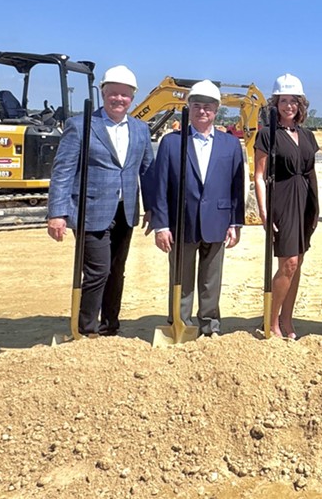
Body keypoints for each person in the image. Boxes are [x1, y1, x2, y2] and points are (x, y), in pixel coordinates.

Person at [46, 65, 154, 337]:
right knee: (98, 272)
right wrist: (57, 213)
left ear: (133, 98)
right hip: (90, 210)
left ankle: (110, 327)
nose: (119, 99)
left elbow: (147, 171)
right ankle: (87, 328)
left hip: (126, 211)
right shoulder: (81, 126)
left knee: (117, 271)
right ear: (103, 94)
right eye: (113, 94)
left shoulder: (141, 129)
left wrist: (153, 207)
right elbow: (63, 170)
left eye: (125, 95)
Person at [141, 80, 245, 336]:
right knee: (181, 280)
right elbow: (161, 185)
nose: (202, 111)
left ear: (216, 109)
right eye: (197, 105)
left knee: (211, 281)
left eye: (208, 106)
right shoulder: (171, 142)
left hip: (217, 222)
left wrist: (235, 223)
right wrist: (161, 225)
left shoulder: (230, 144)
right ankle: (180, 323)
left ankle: (210, 325)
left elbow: (236, 187)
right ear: (188, 107)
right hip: (181, 222)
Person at [254, 74, 319, 339]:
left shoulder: (307, 135)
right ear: (275, 103)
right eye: (284, 100)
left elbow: (311, 171)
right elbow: (259, 175)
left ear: (301, 104)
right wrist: (263, 210)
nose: (289, 106)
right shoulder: (268, 134)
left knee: (298, 262)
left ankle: (287, 320)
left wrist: (315, 206)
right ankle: (271, 322)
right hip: (282, 199)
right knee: (288, 262)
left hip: (306, 200)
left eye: (294, 101)